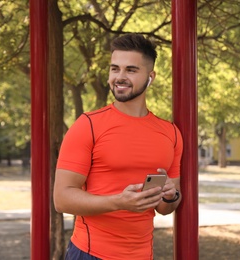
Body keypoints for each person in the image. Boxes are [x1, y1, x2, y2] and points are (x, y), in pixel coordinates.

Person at [53, 33, 183, 260]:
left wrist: (171, 196)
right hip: (90, 253)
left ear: (150, 77)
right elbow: (61, 199)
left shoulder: (170, 133)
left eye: (131, 70)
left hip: (143, 255)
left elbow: (164, 208)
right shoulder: (88, 125)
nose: (120, 77)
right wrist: (118, 202)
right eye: (115, 69)